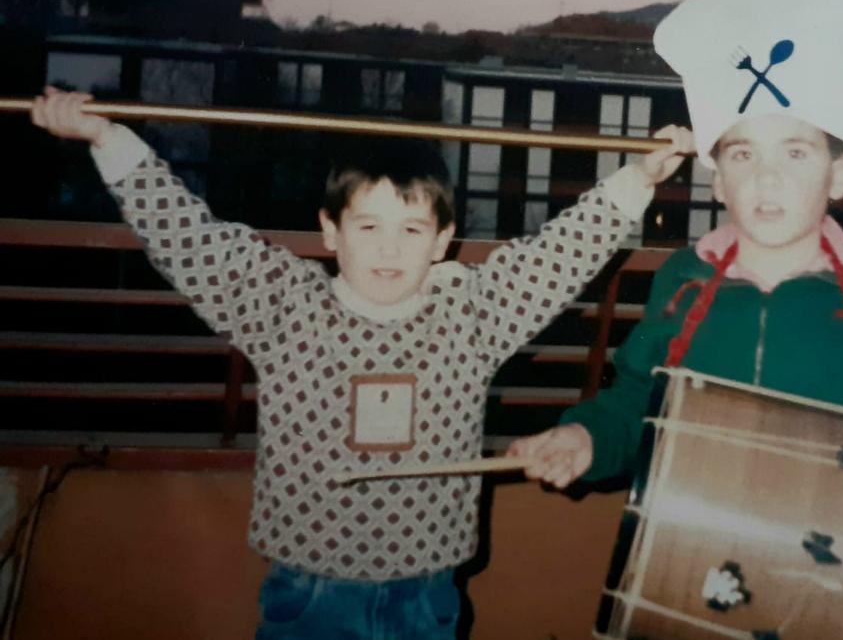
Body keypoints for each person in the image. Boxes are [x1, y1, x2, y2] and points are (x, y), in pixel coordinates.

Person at [30, 86, 691, 639]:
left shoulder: (472, 312)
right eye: (367, 226)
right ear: (329, 231)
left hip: (429, 589)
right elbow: (191, 241)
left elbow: (559, 256)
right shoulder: (283, 307)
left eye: (410, 229)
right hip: (312, 587)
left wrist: (641, 177)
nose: (388, 249)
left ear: (442, 241)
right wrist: (106, 141)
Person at [509, 0, 843, 530]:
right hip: (691, 544)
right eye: (744, 155)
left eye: (796, 153)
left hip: (832, 559)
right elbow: (634, 403)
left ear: (839, 175)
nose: (767, 178)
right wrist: (584, 439)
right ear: (719, 181)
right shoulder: (682, 278)